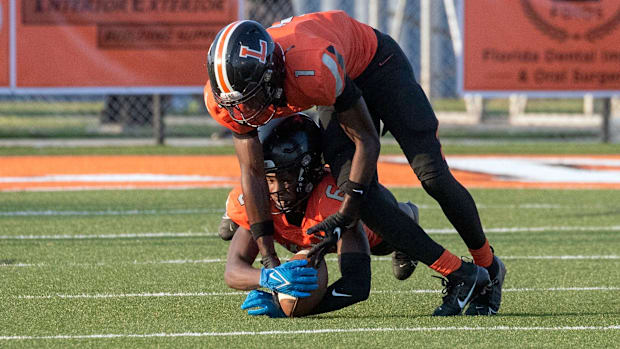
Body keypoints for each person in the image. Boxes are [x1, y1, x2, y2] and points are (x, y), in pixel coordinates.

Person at [205, 11, 505, 316]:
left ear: (271, 73)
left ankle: (487, 266)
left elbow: (366, 140)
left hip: (376, 68)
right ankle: (460, 274)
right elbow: (253, 171)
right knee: (357, 193)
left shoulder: (312, 68)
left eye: (253, 99)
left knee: (431, 176)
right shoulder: (228, 100)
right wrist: (269, 262)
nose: (245, 112)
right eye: (236, 104)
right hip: (333, 83)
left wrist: (349, 208)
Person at [225, 114, 419, 317]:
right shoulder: (259, 199)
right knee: (231, 228)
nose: (276, 190)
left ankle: (407, 214)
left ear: (309, 170)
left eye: (285, 178)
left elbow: (357, 285)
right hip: (301, 234)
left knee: (386, 235)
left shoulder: (334, 202)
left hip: (372, 228)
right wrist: (268, 277)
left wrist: (292, 308)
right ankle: (230, 218)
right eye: (269, 179)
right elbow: (232, 271)